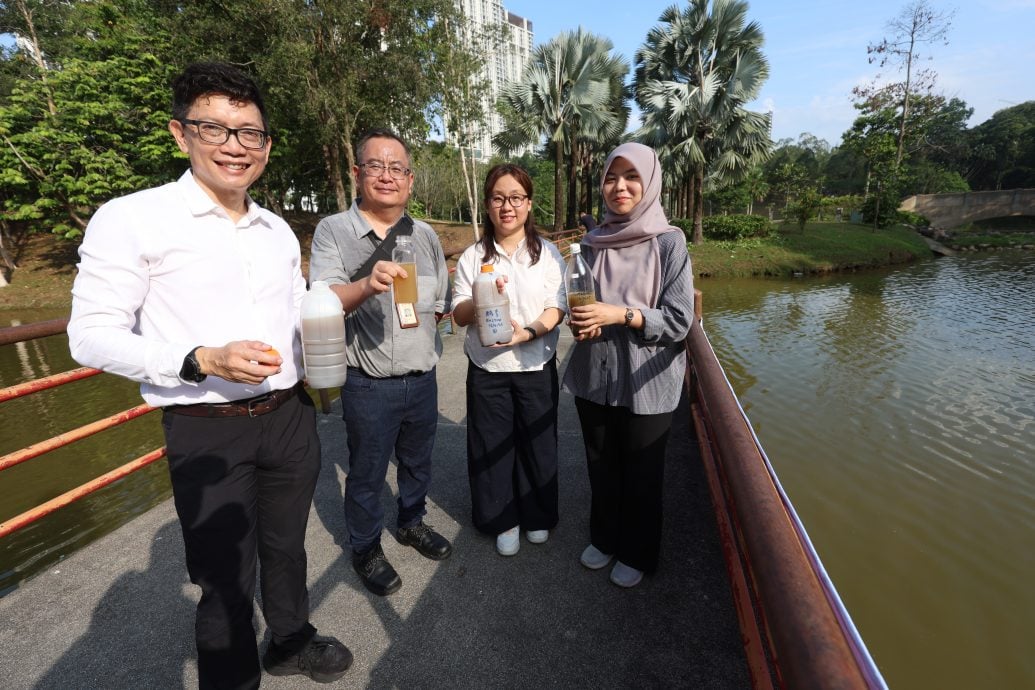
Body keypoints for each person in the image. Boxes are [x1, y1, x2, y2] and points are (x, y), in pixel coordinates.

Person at [67, 62, 352, 687]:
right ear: (180, 133)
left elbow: (294, 313)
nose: (233, 145)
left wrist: (320, 355)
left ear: (267, 146)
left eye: (248, 133)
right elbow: (87, 337)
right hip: (205, 426)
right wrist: (199, 358)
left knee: (287, 546)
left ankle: (290, 637)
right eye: (214, 128)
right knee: (223, 577)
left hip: (288, 418)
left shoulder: (276, 229)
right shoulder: (133, 218)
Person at [309, 128, 452, 597]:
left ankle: (411, 522)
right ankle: (366, 546)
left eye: (397, 168)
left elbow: (440, 304)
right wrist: (368, 285)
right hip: (368, 382)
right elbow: (325, 299)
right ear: (357, 174)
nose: (387, 176)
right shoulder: (334, 230)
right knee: (367, 472)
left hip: (422, 376)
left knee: (417, 463)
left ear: (410, 180)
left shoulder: (427, 235)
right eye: (376, 165)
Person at [563, 142, 695, 589]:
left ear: (650, 182)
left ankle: (637, 550)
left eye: (631, 176)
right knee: (601, 463)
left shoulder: (669, 242)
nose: (620, 187)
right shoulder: (591, 242)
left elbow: (680, 319)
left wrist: (620, 314)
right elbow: (577, 302)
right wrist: (578, 317)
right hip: (595, 373)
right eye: (611, 177)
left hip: (648, 378)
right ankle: (604, 537)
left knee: (642, 470)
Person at [450, 164, 566, 556]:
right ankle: (503, 519)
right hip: (488, 368)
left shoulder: (547, 254)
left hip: (535, 363)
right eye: (498, 198)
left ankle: (537, 514)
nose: (507, 206)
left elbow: (557, 307)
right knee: (491, 445)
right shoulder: (472, 257)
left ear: (529, 204)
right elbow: (458, 314)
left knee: (538, 444)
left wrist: (528, 332)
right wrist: (481, 297)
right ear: (487, 205)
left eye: (516, 198)